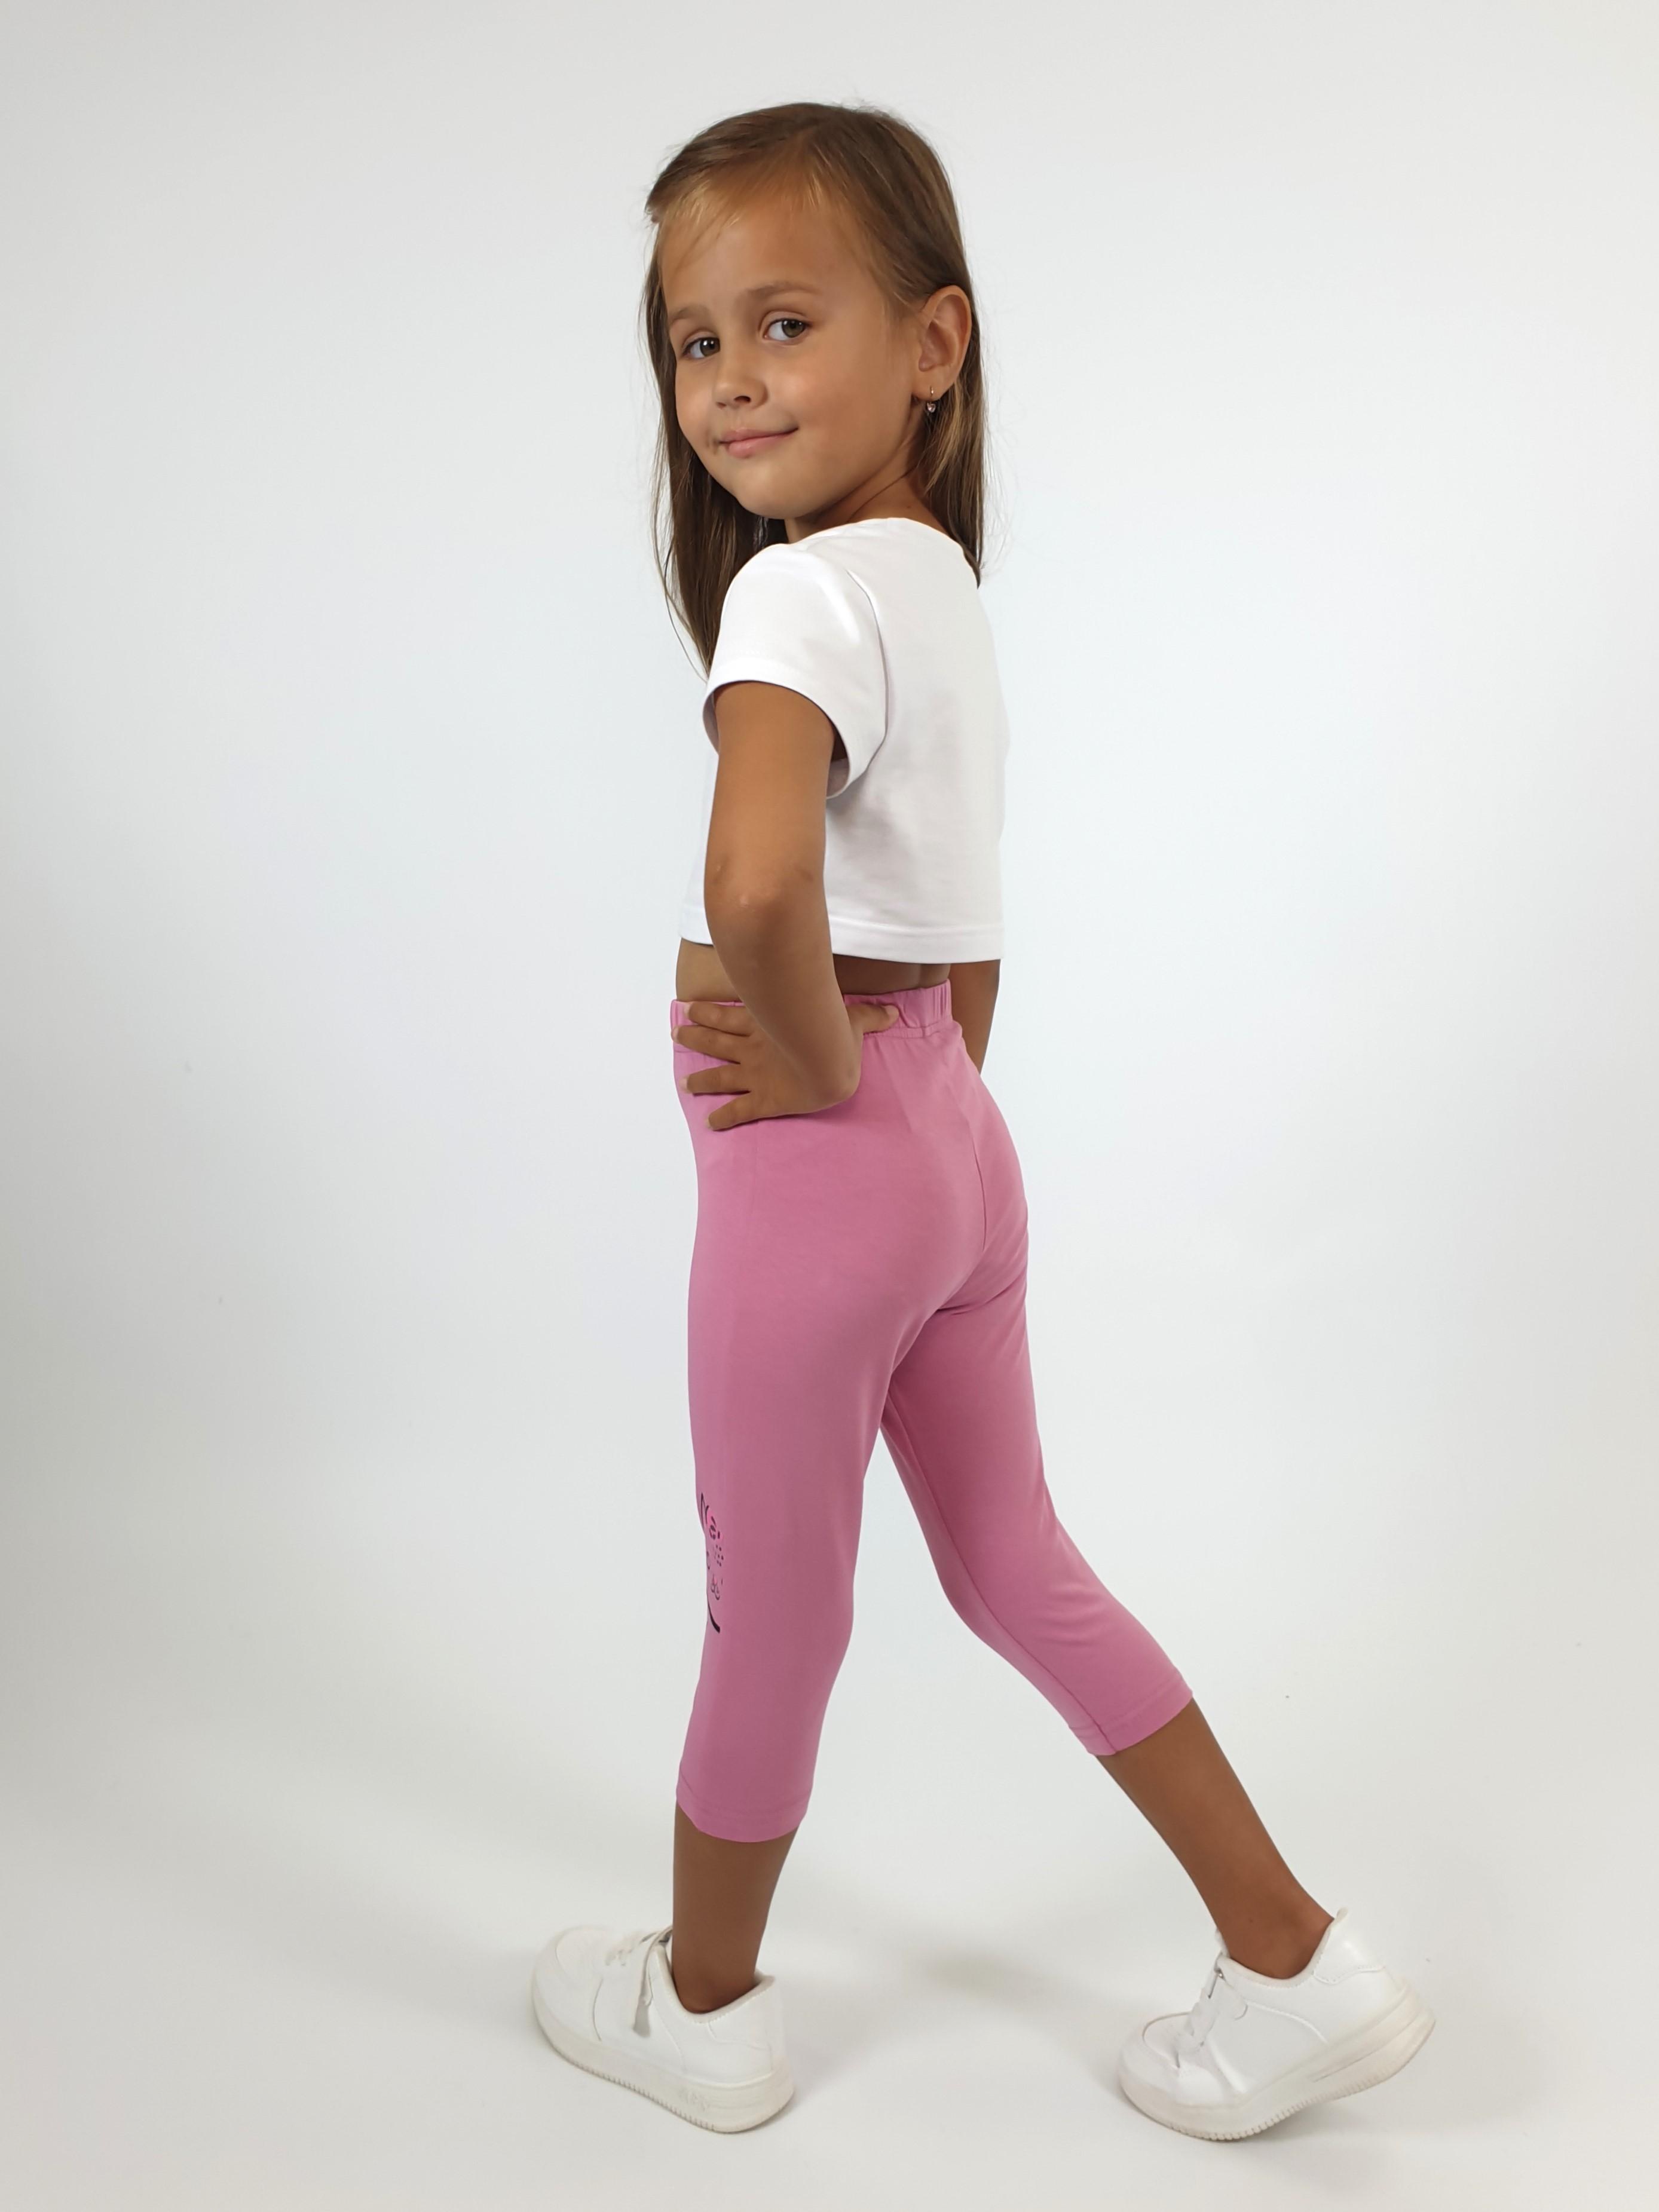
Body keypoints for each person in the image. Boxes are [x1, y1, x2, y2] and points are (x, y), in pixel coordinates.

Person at [531, 100, 1434, 2140]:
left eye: (786, 322)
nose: (732, 378)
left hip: (822, 1180)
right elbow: (962, 920)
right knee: (1018, 1559)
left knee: (776, 1611)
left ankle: (703, 2011)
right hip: (954, 1152)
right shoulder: (934, 585)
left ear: (934, 342)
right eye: (694, 342)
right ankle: (1295, 1959)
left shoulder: (794, 603)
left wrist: (821, 1083)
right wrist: (915, 1114)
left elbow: (761, 885)